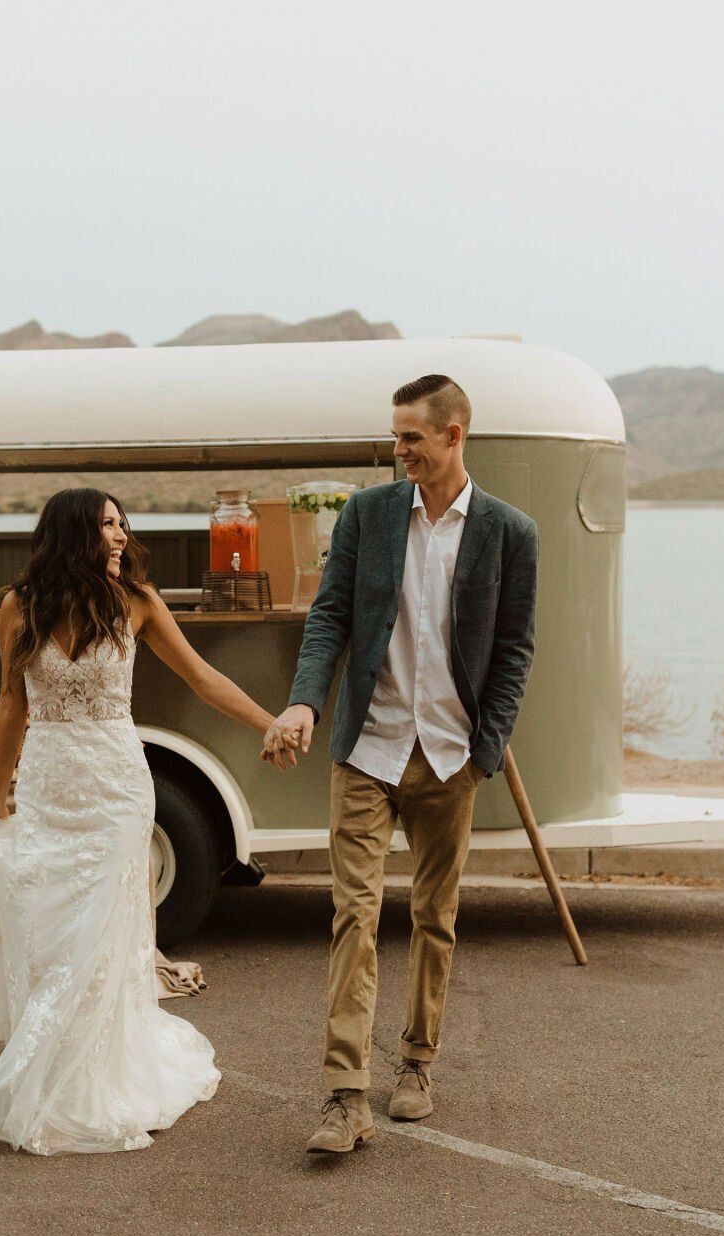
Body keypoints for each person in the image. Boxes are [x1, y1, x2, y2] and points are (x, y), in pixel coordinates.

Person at [0, 487, 291, 1155]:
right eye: (106, 525)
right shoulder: (19, 606)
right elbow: (9, 701)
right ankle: (57, 1057)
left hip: (116, 784)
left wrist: (272, 721)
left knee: (103, 926)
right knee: (52, 924)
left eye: (121, 524)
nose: (119, 535)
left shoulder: (136, 602)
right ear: (73, 534)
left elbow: (201, 677)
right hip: (52, 784)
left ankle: (94, 1072)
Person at [267, 374, 539, 1154]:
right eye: (395, 436)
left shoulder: (510, 533)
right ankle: (345, 1094)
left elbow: (516, 649)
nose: (398, 450)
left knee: (434, 918)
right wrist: (304, 704)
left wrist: (485, 750)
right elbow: (330, 616)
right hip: (368, 748)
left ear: (454, 436)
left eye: (411, 437)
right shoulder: (367, 514)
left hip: (452, 756)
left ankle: (417, 1064)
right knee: (353, 914)